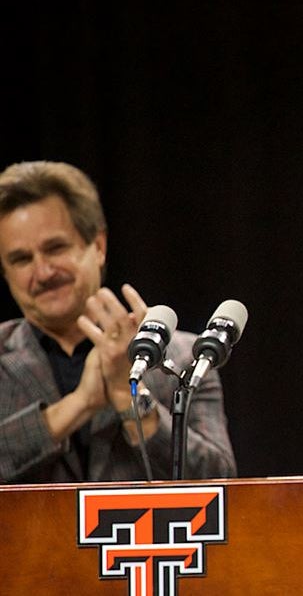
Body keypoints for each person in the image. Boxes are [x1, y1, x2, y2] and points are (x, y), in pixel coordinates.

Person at [0, 160, 236, 483]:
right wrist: (77, 406)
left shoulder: (184, 357)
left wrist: (130, 397)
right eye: (21, 259)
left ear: (98, 246)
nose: (42, 272)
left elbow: (218, 482)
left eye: (55, 248)